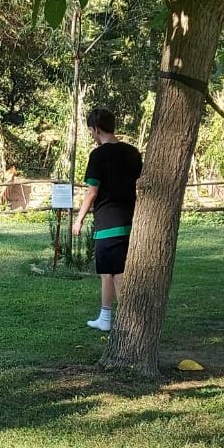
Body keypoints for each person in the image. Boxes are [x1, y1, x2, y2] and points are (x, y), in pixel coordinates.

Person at [72, 108, 142, 331]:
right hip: (129, 218)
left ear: (96, 129)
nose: (92, 134)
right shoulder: (133, 152)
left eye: (91, 131)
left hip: (108, 222)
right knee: (107, 270)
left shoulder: (98, 155)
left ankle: (127, 321)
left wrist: (79, 219)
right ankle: (105, 316)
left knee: (117, 272)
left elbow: (92, 191)